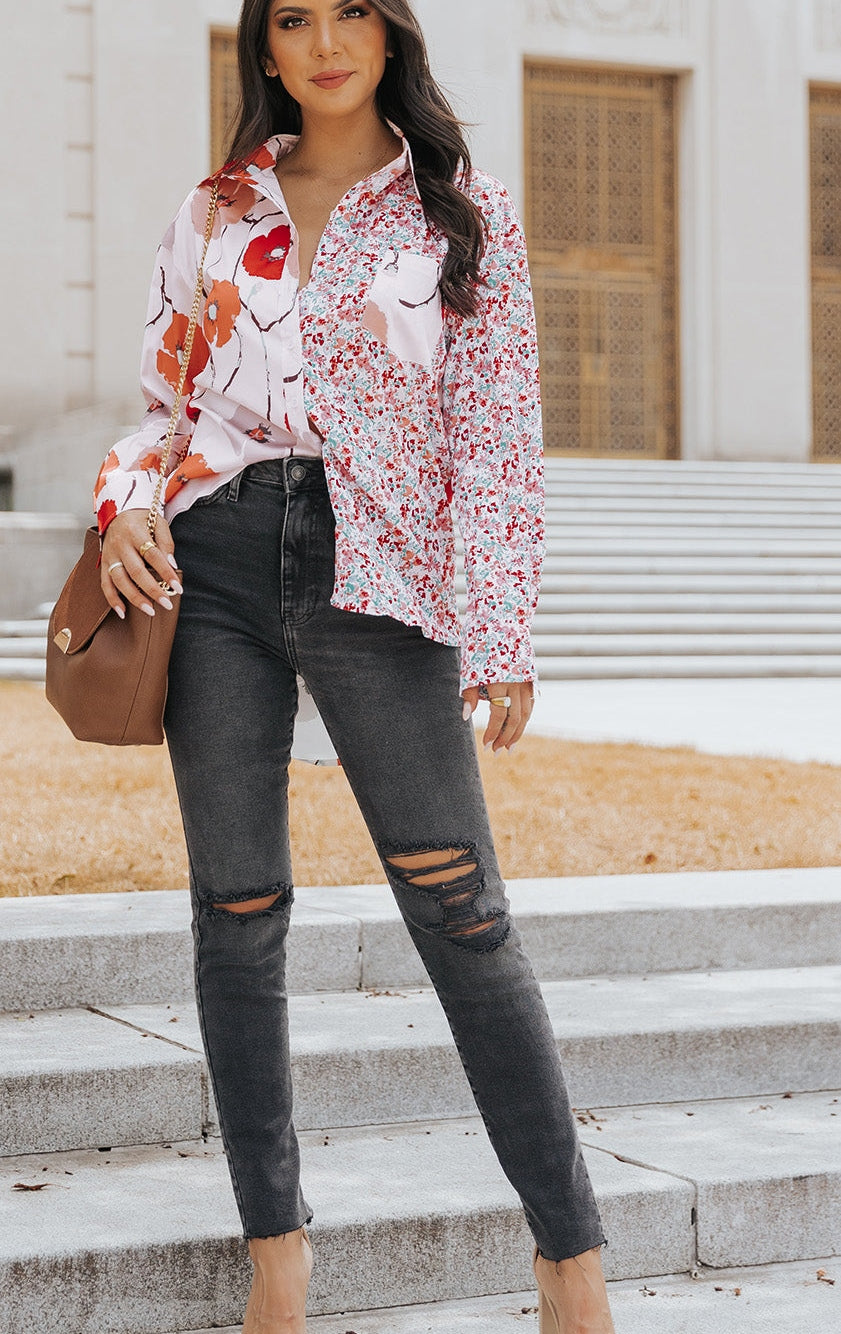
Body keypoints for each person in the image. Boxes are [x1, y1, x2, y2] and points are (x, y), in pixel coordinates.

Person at [94, 2, 617, 1330]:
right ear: (264, 48)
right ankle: (276, 1263)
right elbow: (164, 408)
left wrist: (501, 624)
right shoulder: (216, 208)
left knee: (462, 910)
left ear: (388, 36)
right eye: (294, 18)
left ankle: (571, 1267)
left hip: (379, 572)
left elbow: (495, 433)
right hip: (213, 561)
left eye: (350, 13)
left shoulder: (461, 212)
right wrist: (128, 504)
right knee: (236, 910)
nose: (325, 42)